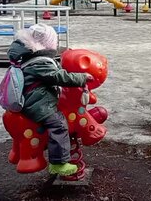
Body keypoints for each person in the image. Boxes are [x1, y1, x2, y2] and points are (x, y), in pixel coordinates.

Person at [7, 23, 94, 176]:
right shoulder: (40, 62)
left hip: (30, 97)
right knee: (59, 125)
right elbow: (57, 77)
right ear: (47, 44)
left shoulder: (27, 57)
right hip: (37, 103)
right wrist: (81, 78)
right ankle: (58, 163)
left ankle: (17, 154)